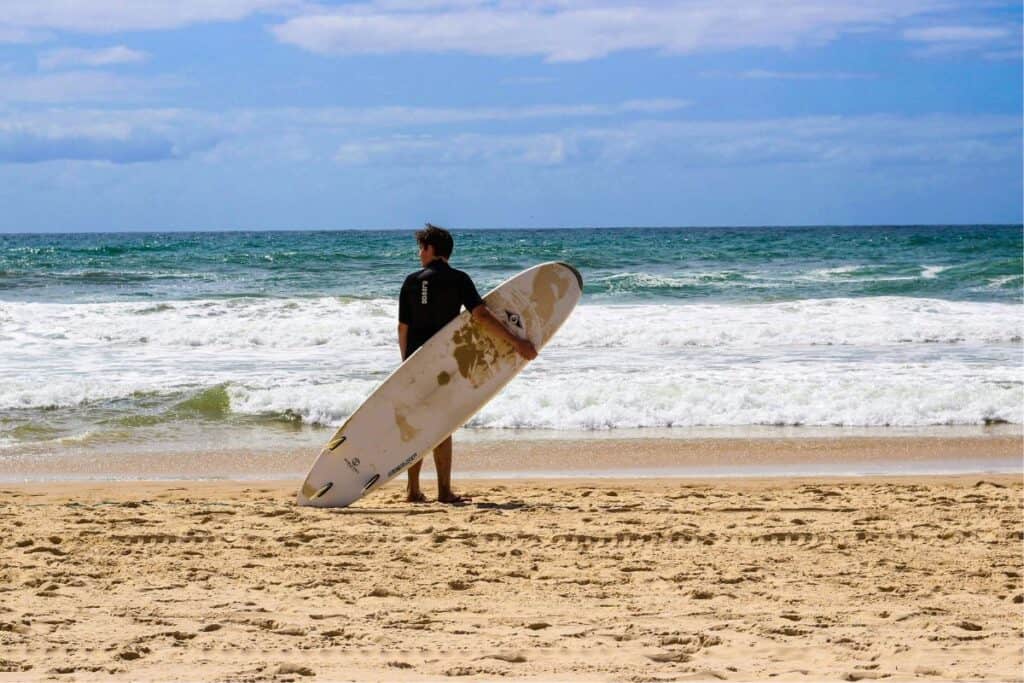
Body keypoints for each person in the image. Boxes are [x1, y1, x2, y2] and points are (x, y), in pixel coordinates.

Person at [398, 223, 537, 504]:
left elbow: (403, 328)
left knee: (418, 424)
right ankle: (444, 491)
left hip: (415, 362)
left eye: (420, 249)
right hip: (444, 363)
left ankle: (412, 490)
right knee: (442, 426)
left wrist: (406, 363)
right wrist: (516, 342)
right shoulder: (459, 279)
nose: (418, 254)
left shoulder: (411, 281)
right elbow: (481, 316)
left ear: (430, 249)